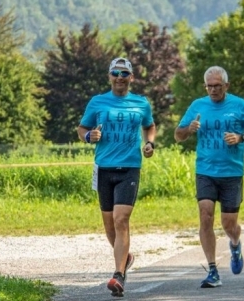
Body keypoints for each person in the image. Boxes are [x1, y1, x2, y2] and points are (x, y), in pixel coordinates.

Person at [174, 66, 244, 288]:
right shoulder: (198, 105)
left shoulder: (239, 105)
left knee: (229, 224)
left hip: (231, 173)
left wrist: (241, 136)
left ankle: (235, 244)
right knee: (205, 215)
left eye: (217, 86)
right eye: (209, 86)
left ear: (226, 85)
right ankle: (213, 270)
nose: (213, 90)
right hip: (205, 170)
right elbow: (178, 135)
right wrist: (189, 129)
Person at [77, 57, 156, 297]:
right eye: (115, 73)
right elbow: (82, 129)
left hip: (130, 167)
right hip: (104, 167)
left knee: (121, 219)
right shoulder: (97, 102)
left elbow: (149, 126)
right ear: (109, 76)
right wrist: (89, 135)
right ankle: (126, 258)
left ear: (131, 78)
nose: (119, 78)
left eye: (124, 74)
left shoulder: (141, 103)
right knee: (109, 224)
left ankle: (118, 275)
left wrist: (149, 143)